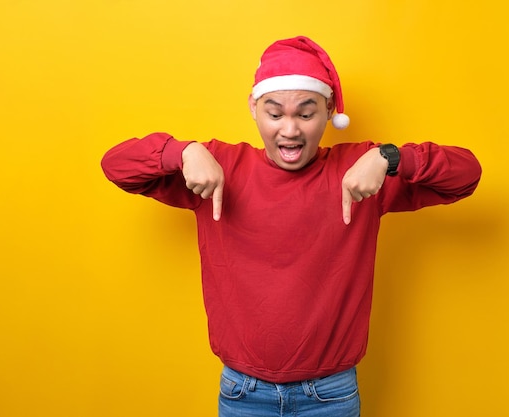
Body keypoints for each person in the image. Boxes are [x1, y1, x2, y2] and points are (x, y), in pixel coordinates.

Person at [101, 35, 481, 417]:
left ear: (329, 110)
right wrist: (181, 151)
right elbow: (115, 165)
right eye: (275, 113)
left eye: (305, 113)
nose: (290, 130)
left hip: (330, 394)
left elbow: (467, 174)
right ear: (253, 108)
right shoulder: (218, 167)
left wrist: (392, 157)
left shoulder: (362, 170)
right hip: (242, 392)